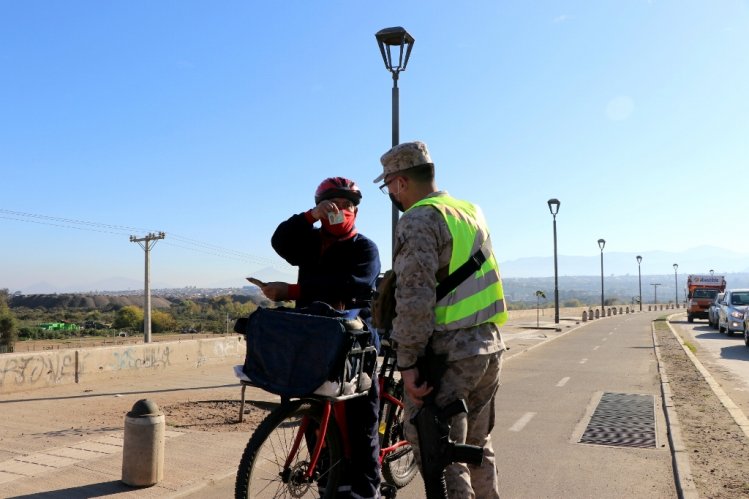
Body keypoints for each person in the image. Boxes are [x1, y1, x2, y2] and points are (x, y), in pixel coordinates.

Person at [374, 141, 508, 498]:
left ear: (400, 182)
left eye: (388, 185)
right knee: (477, 445)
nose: (390, 193)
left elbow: (415, 298)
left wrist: (408, 362)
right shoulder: (469, 211)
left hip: (449, 354)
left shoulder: (418, 218)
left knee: (441, 453)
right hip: (489, 347)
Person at [257, 176, 383, 499]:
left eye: (347, 206)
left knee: (361, 421)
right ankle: (331, 477)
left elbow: (349, 288)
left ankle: (368, 489)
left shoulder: (365, 248)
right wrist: (310, 217)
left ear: (356, 210)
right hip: (314, 339)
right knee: (314, 418)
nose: (341, 211)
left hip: (356, 342)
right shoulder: (311, 242)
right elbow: (280, 241)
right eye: (333, 206)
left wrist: (292, 290)